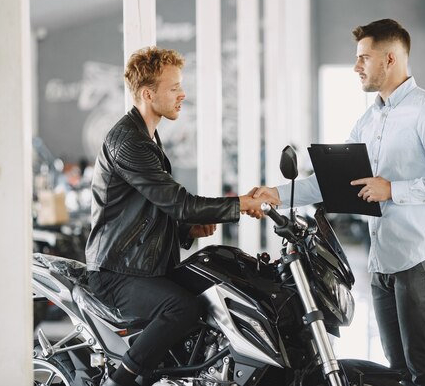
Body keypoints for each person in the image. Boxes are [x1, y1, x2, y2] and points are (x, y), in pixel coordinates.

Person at [251, 19, 425, 386]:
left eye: (363, 58)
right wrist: (277, 194)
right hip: (384, 260)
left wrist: (393, 190)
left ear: (390, 59)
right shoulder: (370, 119)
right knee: (398, 372)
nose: (356, 67)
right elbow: (336, 181)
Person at [85, 46, 279, 386]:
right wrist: (240, 204)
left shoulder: (147, 135)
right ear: (148, 94)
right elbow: (179, 203)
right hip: (116, 271)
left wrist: (187, 229)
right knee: (182, 309)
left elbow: (151, 209)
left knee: (214, 282)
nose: (182, 94)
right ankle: (121, 379)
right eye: (174, 87)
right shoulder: (129, 141)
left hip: (141, 265)